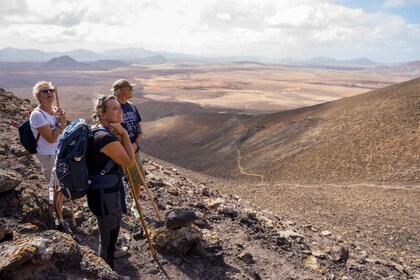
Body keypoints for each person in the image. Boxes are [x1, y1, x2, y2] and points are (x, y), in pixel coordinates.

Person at [86, 95, 135, 269]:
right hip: (103, 195)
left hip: (107, 192)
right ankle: (105, 270)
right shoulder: (104, 138)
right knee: (105, 241)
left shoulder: (99, 131)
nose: (120, 110)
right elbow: (129, 162)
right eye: (114, 108)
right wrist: (124, 134)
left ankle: (110, 263)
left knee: (112, 234)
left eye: (119, 107)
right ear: (102, 114)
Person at [29, 81, 71, 233]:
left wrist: (63, 120)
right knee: (56, 188)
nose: (49, 93)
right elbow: (51, 138)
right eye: (44, 91)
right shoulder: (37, 115)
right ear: (38, 96)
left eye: (51, 90)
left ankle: (59, 213)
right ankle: (59, 221)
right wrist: (61, 124)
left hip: (60, 153)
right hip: (48, 156)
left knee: (60, 187)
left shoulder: (55, 110)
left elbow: (62, 133)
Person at [111, 79, 145, 219]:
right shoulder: (113, 106)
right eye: (130, 88)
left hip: (134, 149)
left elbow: (139, 129)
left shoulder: (132, 106)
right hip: (118, 149)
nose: (132, 90)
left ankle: (135, 204)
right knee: (114, 177)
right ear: (123, 90)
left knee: (137, 178)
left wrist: (136, 143)